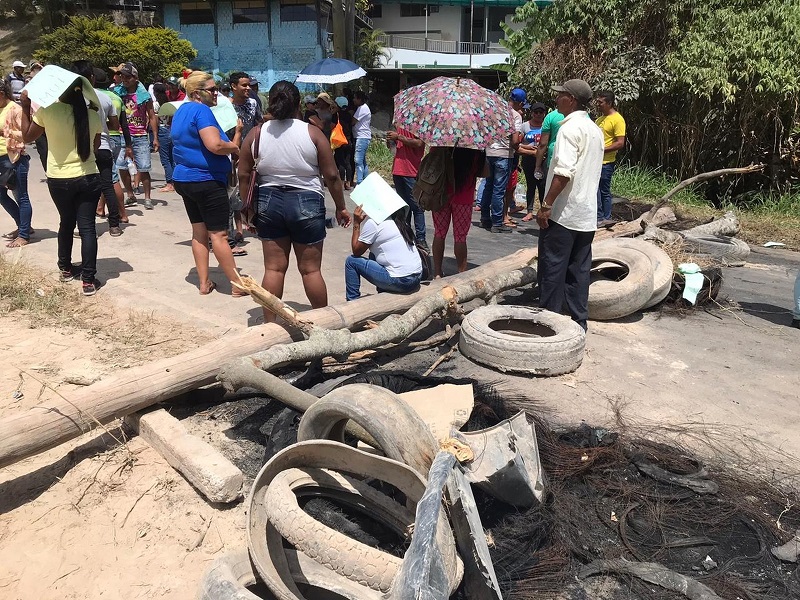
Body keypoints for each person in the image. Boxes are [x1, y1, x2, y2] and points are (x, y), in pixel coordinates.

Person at [237, 80, 351, 322]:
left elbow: (244, 173)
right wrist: (341, 207)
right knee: (311, 270)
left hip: (269, 202)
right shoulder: (312, 133)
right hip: (307, 201)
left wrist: (247, 210)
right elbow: (331, 175)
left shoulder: (257, 134)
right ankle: (323, 324)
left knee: (274, 269)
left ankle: (269, 326)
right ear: (299, 103)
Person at [19, 81, 103, 296]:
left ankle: (65, 269)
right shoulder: (92, 115)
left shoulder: (48, 112)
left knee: (66, 222)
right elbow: (95, 147)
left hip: (59, 178)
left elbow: (27, 136)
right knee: (87, 229)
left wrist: (25, 105)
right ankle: (88, 280)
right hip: (87, 176)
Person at [536, 79, 604, 331]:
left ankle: (548, 327)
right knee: (579, 272)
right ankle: (578, 325)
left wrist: (546, 205)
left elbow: (564, 173)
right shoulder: (594, 129)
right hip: (585, 215)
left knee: (552, 270)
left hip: (563, 214)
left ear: (571, 99)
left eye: (560, 95)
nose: (556, 99)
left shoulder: (568, 130)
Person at [170, 71, 243, 295]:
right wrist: (235, 145)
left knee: (199, 232)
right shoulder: (201, 110)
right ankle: (237, 285)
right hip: (206, 181)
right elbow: (215, 145)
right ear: (197, 94)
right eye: (212, 90)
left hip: (185, 179)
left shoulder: (181, 110)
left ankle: (204, 282)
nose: (217, 94)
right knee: (219, 234)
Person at [71, 60, 124, 237]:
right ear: (92, 78)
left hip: (82, 148)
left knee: (85, 189)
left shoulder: (72, 98)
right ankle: (114, 225)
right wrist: (100, 123)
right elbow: (115, 125)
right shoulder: (105, 97)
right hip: (104, 146)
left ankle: (86, 227)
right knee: (107, 186)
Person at [345, 205, 422, 301]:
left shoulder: (374, 223)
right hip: (417, 277)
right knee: (373, 254)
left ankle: (352, 301)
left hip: (401, 281)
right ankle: (383, 291)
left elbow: (356, 251)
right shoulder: (400, 220)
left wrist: (356, 223)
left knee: (351, 261)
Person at [431, 148, 485, 278]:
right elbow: (484, 172)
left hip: (441, 194)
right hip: (463, 197)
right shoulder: (474, 150)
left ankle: (437, 273)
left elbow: (431, 164)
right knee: (460, 237)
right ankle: (461, 274)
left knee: (439, 233)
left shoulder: (440, 145)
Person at [112, 62, 159, 209]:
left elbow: (152, 116)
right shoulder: (116, 93)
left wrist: (155, 137)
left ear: (135, 78)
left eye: (128, 77)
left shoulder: (144, 95)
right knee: (121, 166)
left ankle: (147, 197)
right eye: (123, 76)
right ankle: (130, 195)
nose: (124, 79)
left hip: (140, 135)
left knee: (144, 167)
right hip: (122, 135)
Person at [481, 88, 523, 233]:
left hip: (489, 152)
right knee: (499, 190)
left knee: (488, 186)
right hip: (504, 154)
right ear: (520, 103)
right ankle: (497, 222)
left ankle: (485, 218)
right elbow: (515, 141)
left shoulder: (494, 111)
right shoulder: (515, 115)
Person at [95, 67, 133, 219]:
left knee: (111, 178)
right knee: (107, 175)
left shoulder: (93, 96)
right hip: (117, 138)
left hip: (102, 139)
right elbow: (123, 124)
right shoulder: (116, 98)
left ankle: (122, 214)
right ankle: (100, 208)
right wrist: (129, 145)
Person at [0, 78, 32, 247]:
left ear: (2, 94)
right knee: (1, 195)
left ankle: (24, 234)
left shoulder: (15, 109)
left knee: (21, 196)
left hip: (14, 158)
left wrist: (4, 131)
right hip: (1, 159)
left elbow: (26, 134)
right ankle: (23, 226)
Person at [386, 125, 426, 248]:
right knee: (403, 206)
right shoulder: (400, 123)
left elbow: (419, 143)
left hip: (411, 171)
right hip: (398, 169)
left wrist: (398, 137)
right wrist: (391, 140)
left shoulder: (419, 124)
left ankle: (421, 239)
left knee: (416, 206)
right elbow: (393, 148)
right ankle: (405, 235)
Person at [595, 90, 626, 226]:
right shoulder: (600, 119)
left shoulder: (617, 119)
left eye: (601, 102)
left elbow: (620, 143)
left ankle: (605, 217)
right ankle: (599, 216)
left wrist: (601, 149)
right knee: (595, 190)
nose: (598, 105)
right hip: (595, 161)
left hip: (606, 162)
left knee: (603, 190)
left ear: (609, 103)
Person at [518, 102, 547, 222]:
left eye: (541, 112)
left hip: (543, 159)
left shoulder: (546, 125)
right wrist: (528, 148)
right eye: (536, 112)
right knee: (531, 185)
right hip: (528, 158)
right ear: (532, 113)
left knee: (542, 186)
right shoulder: (525, 126)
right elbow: (517, 143)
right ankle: (529, 212)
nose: (538, 115)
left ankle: (542, 212)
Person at [152, 82, 176, 193]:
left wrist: (155, 136)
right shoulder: (169, 103)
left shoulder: (156, 105)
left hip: (162, 130)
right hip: (170, 130)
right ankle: (175, 182)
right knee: (172, 158)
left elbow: (155, 121)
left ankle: (170, 183)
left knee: (165, 159)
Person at [229, 72, 262, 141]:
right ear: (234, 86)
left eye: (249, 85)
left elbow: (259, 123)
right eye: (244, 85)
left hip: (250, 147)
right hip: (232, 148)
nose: (248, 88)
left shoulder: (253, 103)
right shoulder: (226, 105)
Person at [332, 96, 353, 189]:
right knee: (347, 162)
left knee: (340, 162)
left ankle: (341, 182)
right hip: (348, 140)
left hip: (339, 141)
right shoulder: (349, 115)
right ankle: (348, 182)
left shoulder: (336, 115)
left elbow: (332, 126)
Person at [352, 90, 372, 185]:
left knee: (358, 160)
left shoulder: (362, 108)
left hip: (362, 137)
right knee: (362, 161)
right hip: (362, 136)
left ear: (359, 99)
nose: (353, 100)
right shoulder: (362, 108)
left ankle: (360, 182)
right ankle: (365, 179)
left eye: (355, 98)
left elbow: (353, 121)